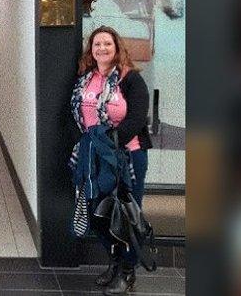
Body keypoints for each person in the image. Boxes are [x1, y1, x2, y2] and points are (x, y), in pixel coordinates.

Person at [70, 26, 153, 294]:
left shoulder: (130, 79)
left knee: (126, 216)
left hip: (127, 156)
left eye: (107, 44)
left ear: (116, 47)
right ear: (90, 50)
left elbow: (138, 116)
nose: (102, 49)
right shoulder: (86, 78)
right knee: (97, 214)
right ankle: (115, 262)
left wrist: (110, 141)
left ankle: (127, 274)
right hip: (93, 157)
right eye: (97, 45)